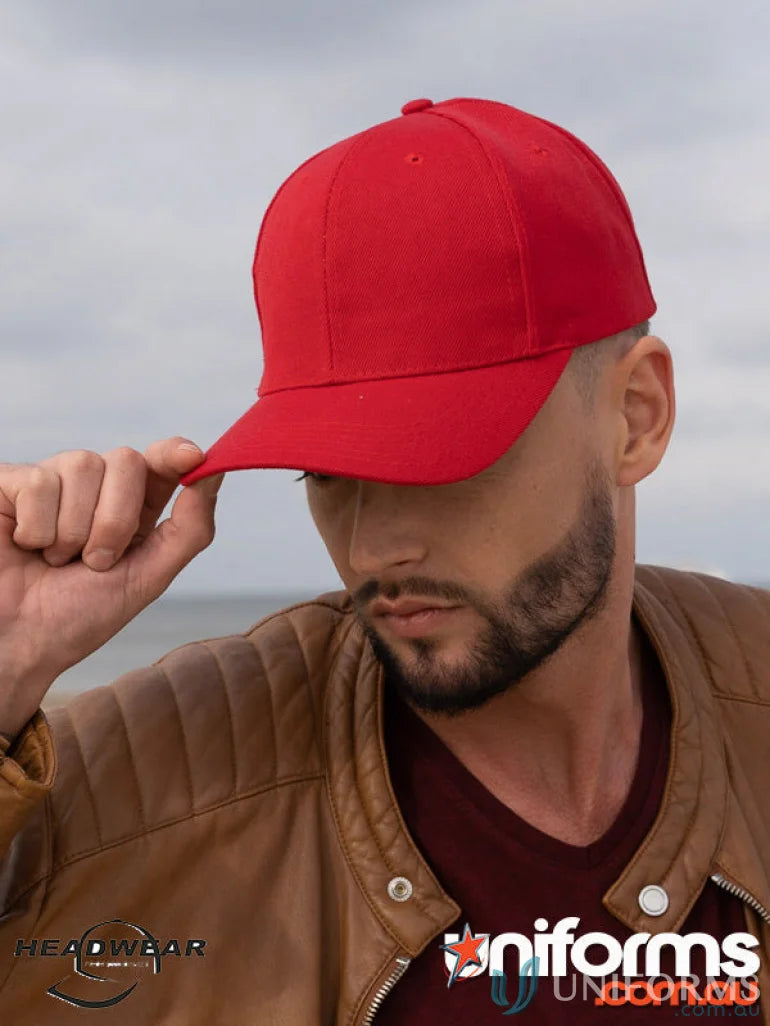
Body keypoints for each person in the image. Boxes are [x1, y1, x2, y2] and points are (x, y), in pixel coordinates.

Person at [0, 95, 768, 1024]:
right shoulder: (148, 785)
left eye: (443, 457)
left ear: (636, 417)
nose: (368, 550)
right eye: (324, 472)